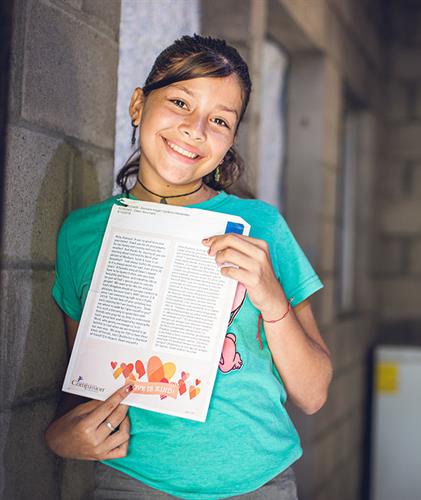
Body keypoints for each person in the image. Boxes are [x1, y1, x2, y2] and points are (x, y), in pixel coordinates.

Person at [45, 34, 333, 500]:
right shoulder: (84, 234)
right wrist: (59, 437)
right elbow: (83, 380)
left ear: (231, 139)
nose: (195, 130)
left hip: (258, 482)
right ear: (139, 105)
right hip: (132, 482)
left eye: (219, 119)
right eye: (180, 101)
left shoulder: (260, 226)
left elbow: (314, 393)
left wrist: (273, 299)